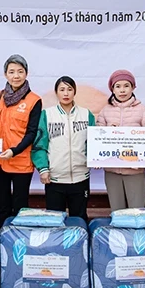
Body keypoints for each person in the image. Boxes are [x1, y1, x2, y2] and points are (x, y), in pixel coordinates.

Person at [32, 76, 95, 220]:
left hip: (81, 177)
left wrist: (96, 158)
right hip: (55, 179)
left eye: (69, 89)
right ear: (56, 93)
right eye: (62, 90)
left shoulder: (86, 114)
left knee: (79, 219)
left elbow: (92, 142)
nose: (66, 93)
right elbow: (39, 145)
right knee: (55, 220)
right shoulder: (47, 115)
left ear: (75, 92)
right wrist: (43, 169)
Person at [0, 54, 42, 225]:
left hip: (20, 161)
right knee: (3, 205)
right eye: (11, 72)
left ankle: (18, 240)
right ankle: (3, 240)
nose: (16, 76)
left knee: (20, 207)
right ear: (5, 74)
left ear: (26, 74)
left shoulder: (34, 100)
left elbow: (32, 132)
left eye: (20, 71)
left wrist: (14, 151)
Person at [96, 69, 145, 210]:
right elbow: (98, 136)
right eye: (118, 86)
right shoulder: (105, 110)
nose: (122, 90)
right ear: (112, 89)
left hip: (135, 170)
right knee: (117, 211)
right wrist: (97, 156)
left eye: (126, 86)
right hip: (112, 171)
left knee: (136, 211)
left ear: (133, 87)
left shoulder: (142, 110)